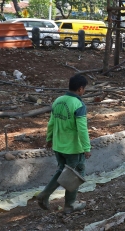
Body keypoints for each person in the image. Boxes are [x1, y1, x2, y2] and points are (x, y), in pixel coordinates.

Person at [37, 74, 91, 214]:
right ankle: (68, 204)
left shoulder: (58, 101)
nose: (83, 91)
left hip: (58, 146)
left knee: (62, 170)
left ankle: (46, 195)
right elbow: (82, 129)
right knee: (75, 174)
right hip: (73, 148)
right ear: (80, 89)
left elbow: (51, 123)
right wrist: (86, 148)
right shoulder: (78, 105)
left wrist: (49, 139)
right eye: (84, 89)